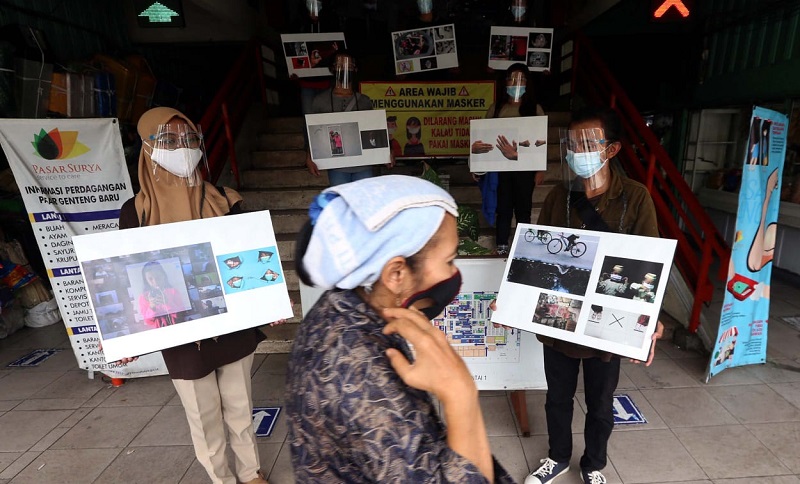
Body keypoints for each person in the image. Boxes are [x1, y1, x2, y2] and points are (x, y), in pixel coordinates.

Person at [286, 175, 514, 483]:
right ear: (396, 273)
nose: (454, 273)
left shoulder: (346, 306)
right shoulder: (363, 379)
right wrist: (461, 395)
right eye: (449, 260)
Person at [117, 107, 272, 484]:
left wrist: (268, 301)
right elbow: (127, 278)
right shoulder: (135, 214)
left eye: (188, 139)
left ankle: (250, 473)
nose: (182, 148)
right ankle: (222, 479)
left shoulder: (224, 199)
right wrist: (126, 335)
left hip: (232, 326)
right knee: (203, 419)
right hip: (181, 336)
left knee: (240, 408)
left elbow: (249, 260)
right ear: (147, 147)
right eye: (168, 140)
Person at [524, 107, 664, 484]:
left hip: (607, 318)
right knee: (557, 396)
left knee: (601, 402)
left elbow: (649, 264)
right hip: (560, 314)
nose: (577, 151)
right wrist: (512, 298)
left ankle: (593, 464)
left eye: (587, 144)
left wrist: (651, 320)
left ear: (611, 149)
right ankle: (558, 457)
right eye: (572, 144)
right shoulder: (559, 196)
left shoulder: (635, 197)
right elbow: (537, 255)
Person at [473, 63, 546, 256]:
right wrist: (477, 165)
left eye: (521, 79)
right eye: (512, 79)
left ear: (527, 83)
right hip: (501, 169)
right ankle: (502, 245)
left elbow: (541, 142)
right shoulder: (496, 108)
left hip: (526, 169)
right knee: (503, 208)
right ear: (505, 82)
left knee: (523, 209)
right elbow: (483, 137)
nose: (516, 83)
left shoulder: (535, 109)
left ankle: (524, 248)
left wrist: (540, 169)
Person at [305, 50, 391, 185]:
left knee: (363, 198)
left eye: (349, 66)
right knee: (342, 197)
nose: (344, 69)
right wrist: (309, 156)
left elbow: (374, 132)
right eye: (339, 65)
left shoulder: (364, 101)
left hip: (363, 165)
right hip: (337, 166)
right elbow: (313, 133)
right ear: (332, 68)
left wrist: (387, 152)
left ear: (355, 69)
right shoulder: (320, 101)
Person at [138, 261, 184, 328]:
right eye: (150, 279)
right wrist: (152, 307)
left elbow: (181, 314)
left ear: (163, 276)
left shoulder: (174, 292)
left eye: (158, 277)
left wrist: (167, 303)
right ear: (146, 281)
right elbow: (148, 321)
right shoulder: (143, 297)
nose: (155, 281)